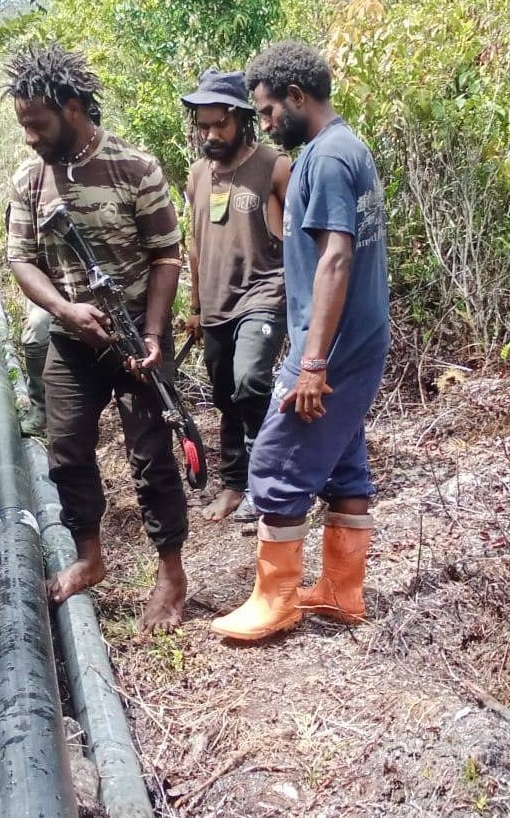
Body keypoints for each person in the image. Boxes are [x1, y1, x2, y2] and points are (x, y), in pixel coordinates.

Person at [4, 44, 190, 632]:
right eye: (23, 126)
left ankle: (171, 572)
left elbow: (166, 256)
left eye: (37, 125)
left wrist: (155, 334)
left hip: (138, 344)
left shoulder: (135, 168)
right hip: (71, 340)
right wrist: (65, 309)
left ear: (74, 108)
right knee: (67, 453)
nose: (30, 137)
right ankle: (90, 557)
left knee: (153, 458)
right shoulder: (30, 180)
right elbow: (22, 260)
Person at [211, 41, 390, 641]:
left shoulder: (328, 158)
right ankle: (342, 591)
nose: (263, 124)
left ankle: (276, 600)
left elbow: (336, 259)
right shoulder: (346, 147)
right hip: (350, 338)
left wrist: (311, 362)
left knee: (274, 462)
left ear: (295, 97)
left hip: (333, 347)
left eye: (264, 112)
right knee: (343, 460)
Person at [182, 68, 291, 523]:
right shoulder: (196, 176)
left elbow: (299, 236)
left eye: (219, 124)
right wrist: (194, 305)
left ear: (241, 118)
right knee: (226, 394)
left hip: (264, 292)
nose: (210, 134)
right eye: (203, 126)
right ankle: (234, 483)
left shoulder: (274, 166)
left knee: (250, 380)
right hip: (215, 301)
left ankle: (268, 478)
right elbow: (194, 239)